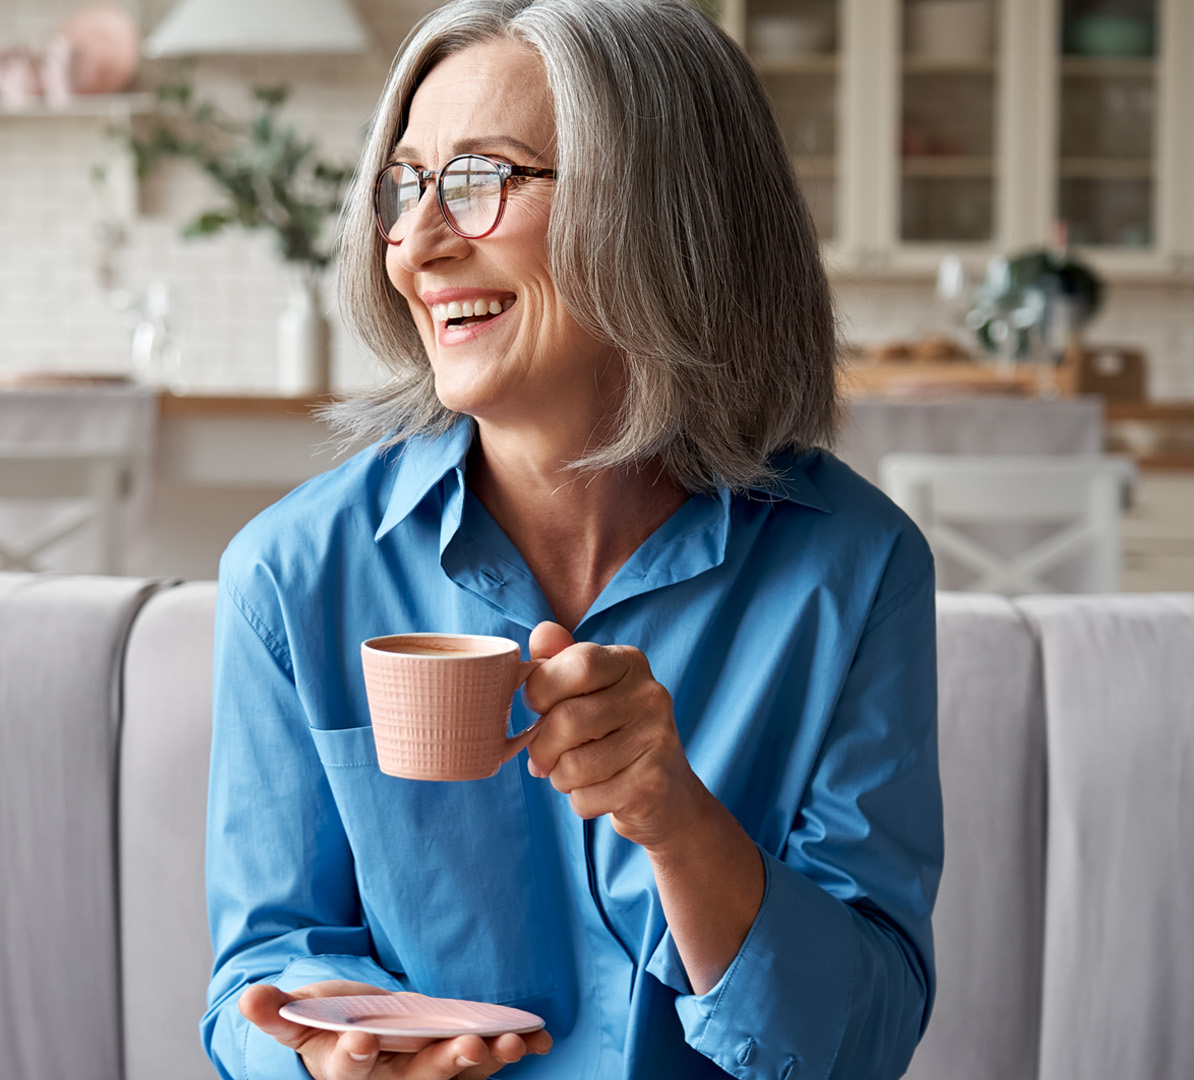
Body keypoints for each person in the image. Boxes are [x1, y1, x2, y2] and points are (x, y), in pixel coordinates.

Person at [203, 1, 943, 1076]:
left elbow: (861, 1040)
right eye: (405, 186)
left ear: (663, 213)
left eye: (479, 178)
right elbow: (260, 973)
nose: (414, 243)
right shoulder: (293, 577)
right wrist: (324, 1054)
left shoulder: (855, 573)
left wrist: (677, 818)